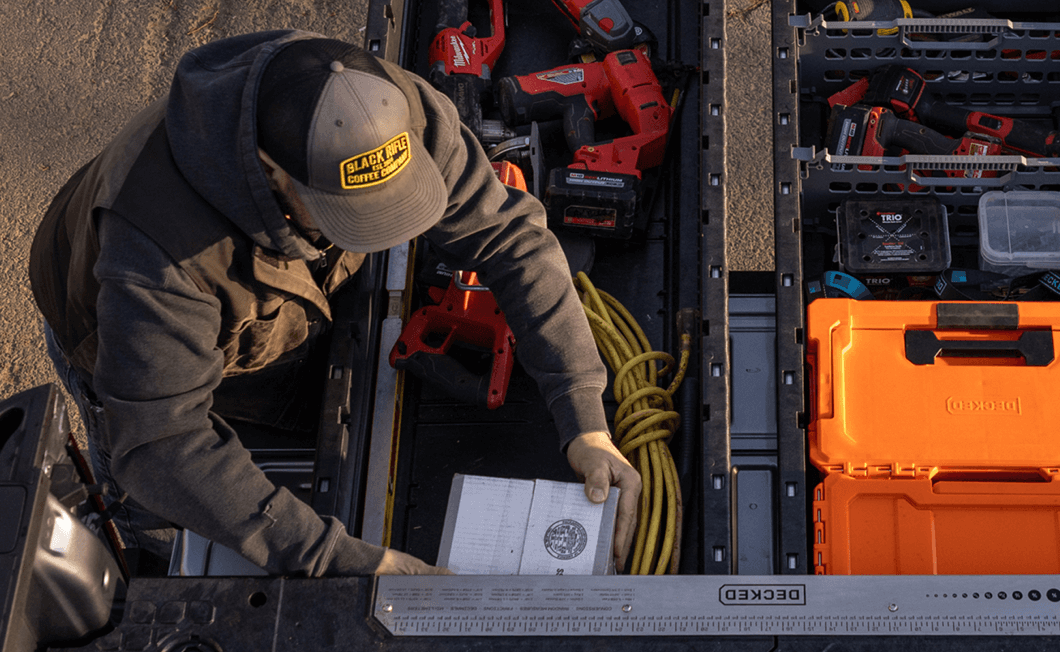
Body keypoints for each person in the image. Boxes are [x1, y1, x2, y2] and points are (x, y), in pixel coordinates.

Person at [28, 31, 641, 576]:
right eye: (356, 219)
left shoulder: (386, 108)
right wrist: (337, 559)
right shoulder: (161, 253)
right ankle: (133, 552)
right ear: (273, 172)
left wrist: (584, 416)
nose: (389, 234)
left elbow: (513, 240)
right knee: (153, 502)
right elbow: (161, 441)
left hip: (278, 309)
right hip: (120, 334)